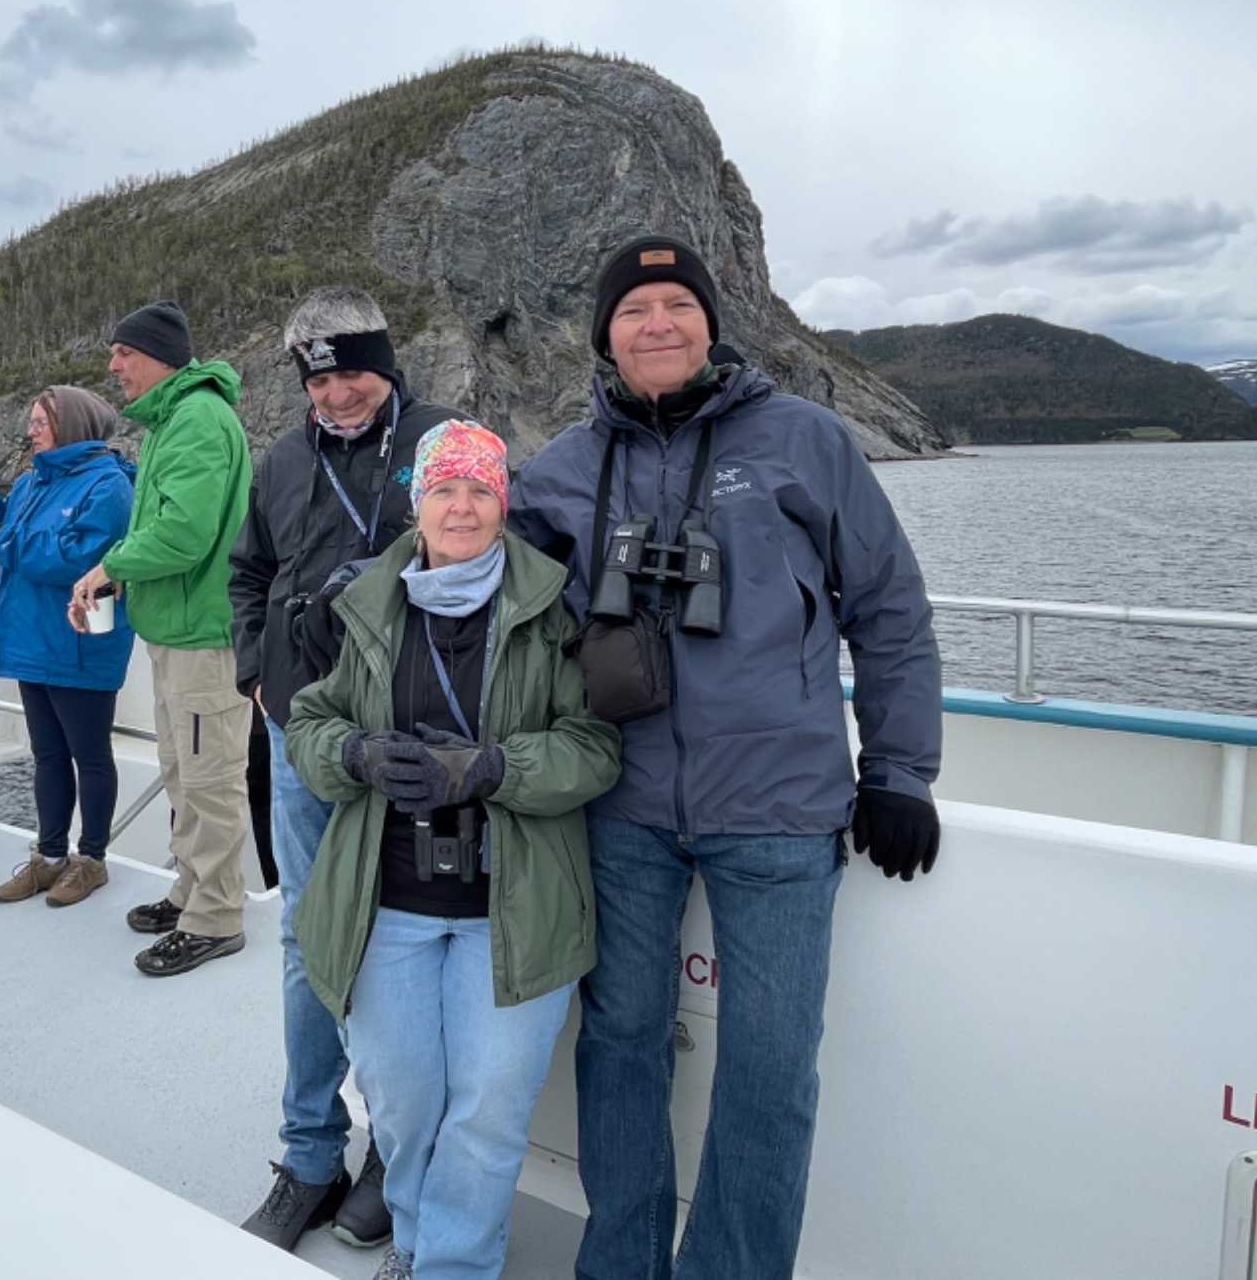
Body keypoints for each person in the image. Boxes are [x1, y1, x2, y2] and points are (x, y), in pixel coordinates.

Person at [509, 234, 944, 1278]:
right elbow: (478, 591)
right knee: (619, 1044)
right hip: (618, 805)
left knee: (769, 1067)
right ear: (604, 336)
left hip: (779, 810)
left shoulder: (805, 441)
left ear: (710, 322)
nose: (656, 323)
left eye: (677, 304)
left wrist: (897, 772)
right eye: (633, 309)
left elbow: (888, 610)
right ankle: (619, 1265)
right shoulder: (562, 466)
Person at [287, 420, 619, 1280]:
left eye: (480, 489)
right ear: (417, 504)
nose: (461, 506)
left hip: (512, 908)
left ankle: (453, 1267)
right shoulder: (368, 602)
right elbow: (309, 724)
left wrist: (494, 769)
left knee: (487, 1114)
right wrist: (354, 753)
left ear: (504, 505)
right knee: (400, 1105)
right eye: (443, 489)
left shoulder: (553, 609)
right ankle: (414, 1238)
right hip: (385, 902)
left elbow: (594, 748)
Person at [229, 287, 463, 1252]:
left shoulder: (443, 441)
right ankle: (311, 1153)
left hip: (413, 739)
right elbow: (249, 574)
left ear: (386, 364)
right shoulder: (283, 459)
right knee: (307, 940)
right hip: (303, 737)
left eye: (353, 373)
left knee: (401, 943)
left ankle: (392, 1155)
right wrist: (254, 674)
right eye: (318, 380)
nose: (336, 394)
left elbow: (494, 558)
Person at [69, 300, 255, 977]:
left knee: (209, 782)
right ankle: (190, 892)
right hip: (176, 631)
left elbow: (183, 534)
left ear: (157, 357)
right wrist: (125, 577)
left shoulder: (197, 420)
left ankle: (216, 918)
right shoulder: (171, 421)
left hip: (204, 638)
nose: (113, 365)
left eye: (124, 353)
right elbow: (164, 526)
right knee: (183, 773)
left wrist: (111, 567)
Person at [0, 386, 137, 908]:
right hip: (31, 638)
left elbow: (81, 557)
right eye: (31, 422)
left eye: (40, 422)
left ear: (71, 425)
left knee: (91, 756)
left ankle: (92, 860)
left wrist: (2, 537)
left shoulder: (109, 486)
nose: (30, 431)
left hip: (80, 640)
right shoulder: (33, 479)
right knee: (48, 755)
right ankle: (50, 856)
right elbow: (17, 523)